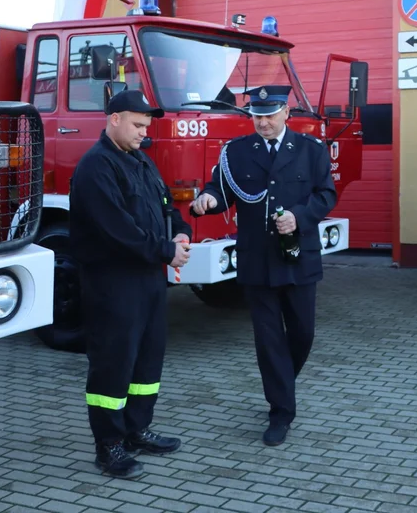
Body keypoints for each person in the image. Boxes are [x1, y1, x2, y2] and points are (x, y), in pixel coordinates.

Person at [191, 85, 337, 446]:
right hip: (257, 260)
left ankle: (281, 384)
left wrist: (300, 217)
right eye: (257, 115)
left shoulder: (310, 150)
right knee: (268, 339)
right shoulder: (237, 152)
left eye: (270, 114)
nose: (263, 122)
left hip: (298, 256)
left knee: (303, 334)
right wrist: (209, 197)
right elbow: (220, 187)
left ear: (287, 112)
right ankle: (281, 410)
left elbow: (326, 194)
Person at [70, 89, 192, 479]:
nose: (144, 133)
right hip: (113, 285)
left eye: (146, 126)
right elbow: (117, 231)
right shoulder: (96, 167)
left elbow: (166, 206)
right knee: (113, 365)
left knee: (146, 361)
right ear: (115, 119)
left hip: (148, 281)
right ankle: (109, 446)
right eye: (138, 125)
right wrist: (165, 250)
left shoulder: (140, 161)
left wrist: (182, 233)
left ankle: (136, 430)